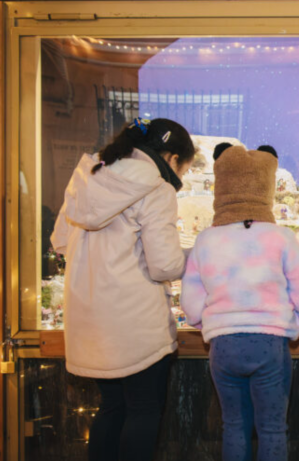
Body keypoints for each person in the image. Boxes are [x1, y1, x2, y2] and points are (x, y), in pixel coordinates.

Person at [51, 117, 196, 461]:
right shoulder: (156, 189)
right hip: (136, 326)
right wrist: (195, 255)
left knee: (111, 409)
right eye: (185, 169)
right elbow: (165, 265)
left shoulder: (87, 180)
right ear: (172, 158)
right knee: (144, 410)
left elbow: (59, 243)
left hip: (89, 322)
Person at [181, 142, 299, 461]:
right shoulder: (280, 237)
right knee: (273, 429)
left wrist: (210, 323)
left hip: (223, 346)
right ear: (266, 187)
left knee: (233, 426)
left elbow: (190, 302)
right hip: (269, 344)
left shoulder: (206, 240)